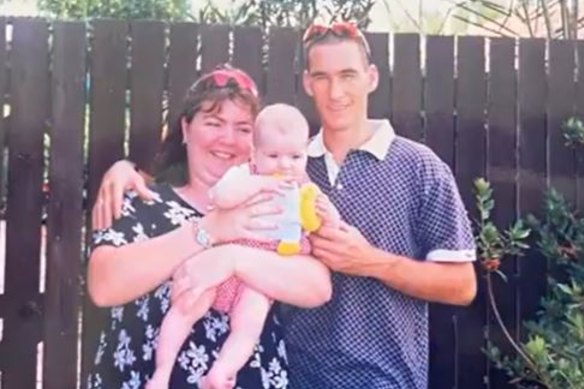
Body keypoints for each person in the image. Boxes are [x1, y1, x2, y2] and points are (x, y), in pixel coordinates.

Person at [93, 22, 478, 389]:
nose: (335, 91)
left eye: (347, 75)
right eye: (322, 77)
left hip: (384, 379)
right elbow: (108, 282)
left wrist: (369, 261)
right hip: (298, 376)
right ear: (308, 83)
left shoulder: (404, 167)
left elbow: (460, 285)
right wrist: (128, 172)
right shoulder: (286, 166)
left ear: (371, 77)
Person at [85, 66, 332, 389]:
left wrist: (232, 259)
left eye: (243, 128)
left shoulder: (271, 206)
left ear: (257, 144)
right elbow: (104, 285)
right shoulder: (141, 199)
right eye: (213, 123)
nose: (227, 139)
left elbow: (317, 287)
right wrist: (209, 230)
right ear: (186, 129)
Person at [147, 103, 337, 389]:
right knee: (186, 306)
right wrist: (260, 184)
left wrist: (327, 213)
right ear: (254, 153)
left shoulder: (305, 190)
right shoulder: (244, 175)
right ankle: (161, 373)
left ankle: (222, 371)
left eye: (295, 156)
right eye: (273, 156)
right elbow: (222, 196)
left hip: (258, 279)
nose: (285, 165)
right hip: (220, 268)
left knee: (250, 323)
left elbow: (329, 227)